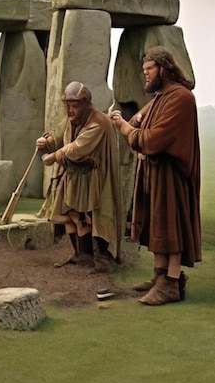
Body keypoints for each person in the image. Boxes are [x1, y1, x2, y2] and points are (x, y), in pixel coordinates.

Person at [111, 46, 201, 305]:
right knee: (158, 223)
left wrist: (124, 127)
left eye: (148, 69)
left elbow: (152, 138)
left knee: (170, 225)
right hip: (156, 172)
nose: (146, 75)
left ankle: (171, 283)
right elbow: (141, 119)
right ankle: (160, 276)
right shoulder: (162, 97)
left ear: (163, 68)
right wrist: (129, 121)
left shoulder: (180, 97)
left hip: (171, 175)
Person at [36, 81, 122, 272]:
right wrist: (47, 142)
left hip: (95, 180)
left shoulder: (98, 122)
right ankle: (81, 255)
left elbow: (78, 148)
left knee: (94, 218)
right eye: (68, 105)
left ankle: (102, 259)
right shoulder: (72, 119)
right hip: (75, 178)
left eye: (74, 106)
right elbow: (59, 136)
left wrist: (55, 156)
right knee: (71, 216)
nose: (70, 110)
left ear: (86, 104)